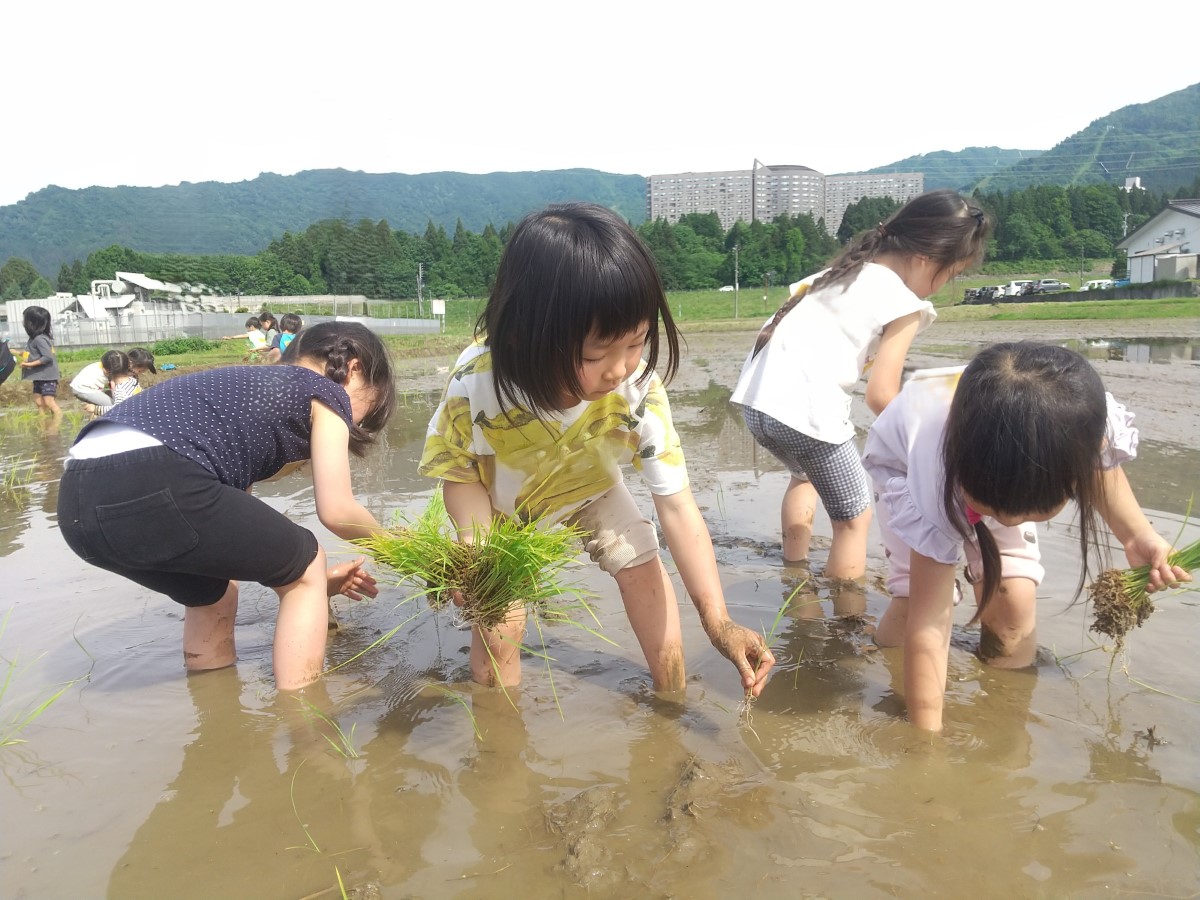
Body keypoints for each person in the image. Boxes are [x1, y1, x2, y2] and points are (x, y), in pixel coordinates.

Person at [419, 202, 775, 695]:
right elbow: (457, 474)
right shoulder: (477, 381)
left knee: (642, 562)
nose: (619, 369)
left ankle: (671, 699)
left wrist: (719, 621)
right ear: (526, 337)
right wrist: (477, 550)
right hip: (498, 505)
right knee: (503, 621)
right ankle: (500, 740)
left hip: (591, 489)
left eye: (637, 342)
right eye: (595, 354)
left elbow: (677, 507)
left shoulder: (639, 390)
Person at [861, 342, 1190, 731]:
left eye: (1030, 509)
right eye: (998, 509)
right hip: (911, 472)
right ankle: (884, 652)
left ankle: (1006, 715)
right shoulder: (930, 480)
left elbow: (1099, 470)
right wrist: (926, 743)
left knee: (1014, 605)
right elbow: (929, 629)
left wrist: (1138, 536)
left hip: (998, 471)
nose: (1012, 520)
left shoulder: (1077, 420)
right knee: (916, 600)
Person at [57, 321, 398, 691]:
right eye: (366, 410)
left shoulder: (242, 392)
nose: (355, 422)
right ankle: (306, 725)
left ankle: (215, 708)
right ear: (354, 368)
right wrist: (398, 547)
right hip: (159, 474)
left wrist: (313, 587)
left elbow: (230, 538)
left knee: (215, 593)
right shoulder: (325, 393)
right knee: (309, 561)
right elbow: (337, 510)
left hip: (77, 502)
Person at [731, 190, 990, 583]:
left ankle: (794, 570)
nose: (939, 288)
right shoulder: (903, 303)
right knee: (854, 516)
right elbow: (881, 394)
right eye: (949, 275)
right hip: (806, 415)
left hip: (756, 403)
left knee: (804, 478)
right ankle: (846, 615)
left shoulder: (836, 273)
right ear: (925, 259)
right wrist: (937, 439)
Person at [71, 347, 156, 415]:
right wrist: (96, 409)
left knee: (113, 405)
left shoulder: (123, 369)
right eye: (140, 371)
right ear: (130, 364)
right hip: (83, 388)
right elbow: (118, 407)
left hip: (93, 386)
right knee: (112, 406)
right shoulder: (117, 369)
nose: (140, 374)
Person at [19, 305, 62, 417]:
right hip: (39, 377)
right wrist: (17, 352)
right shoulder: (33, 339)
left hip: (47, 377)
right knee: (39, 402)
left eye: (25, 319)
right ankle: (43, 424)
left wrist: (27, 364)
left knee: (49, 402)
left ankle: (56, 423)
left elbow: (47, 357)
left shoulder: (39, 339)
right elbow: (32, 354)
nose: (22, 322)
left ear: (32, 323)